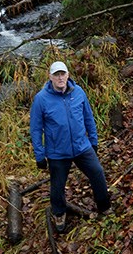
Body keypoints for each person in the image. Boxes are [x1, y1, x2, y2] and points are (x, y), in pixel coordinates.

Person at [30, 60, 111, 232]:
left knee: (97, 173)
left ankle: (104, 206)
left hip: (82, 146)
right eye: (56, 74)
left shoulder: (78, 92)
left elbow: (89, 117)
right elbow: (36, 129)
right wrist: (39, 155)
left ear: (68, 75)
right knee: (57, 186)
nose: (60, 78)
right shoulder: (41, 99)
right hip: (57, 152)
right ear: (50, 77)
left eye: (63, 74)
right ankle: (59, 214)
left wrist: (93, 141)